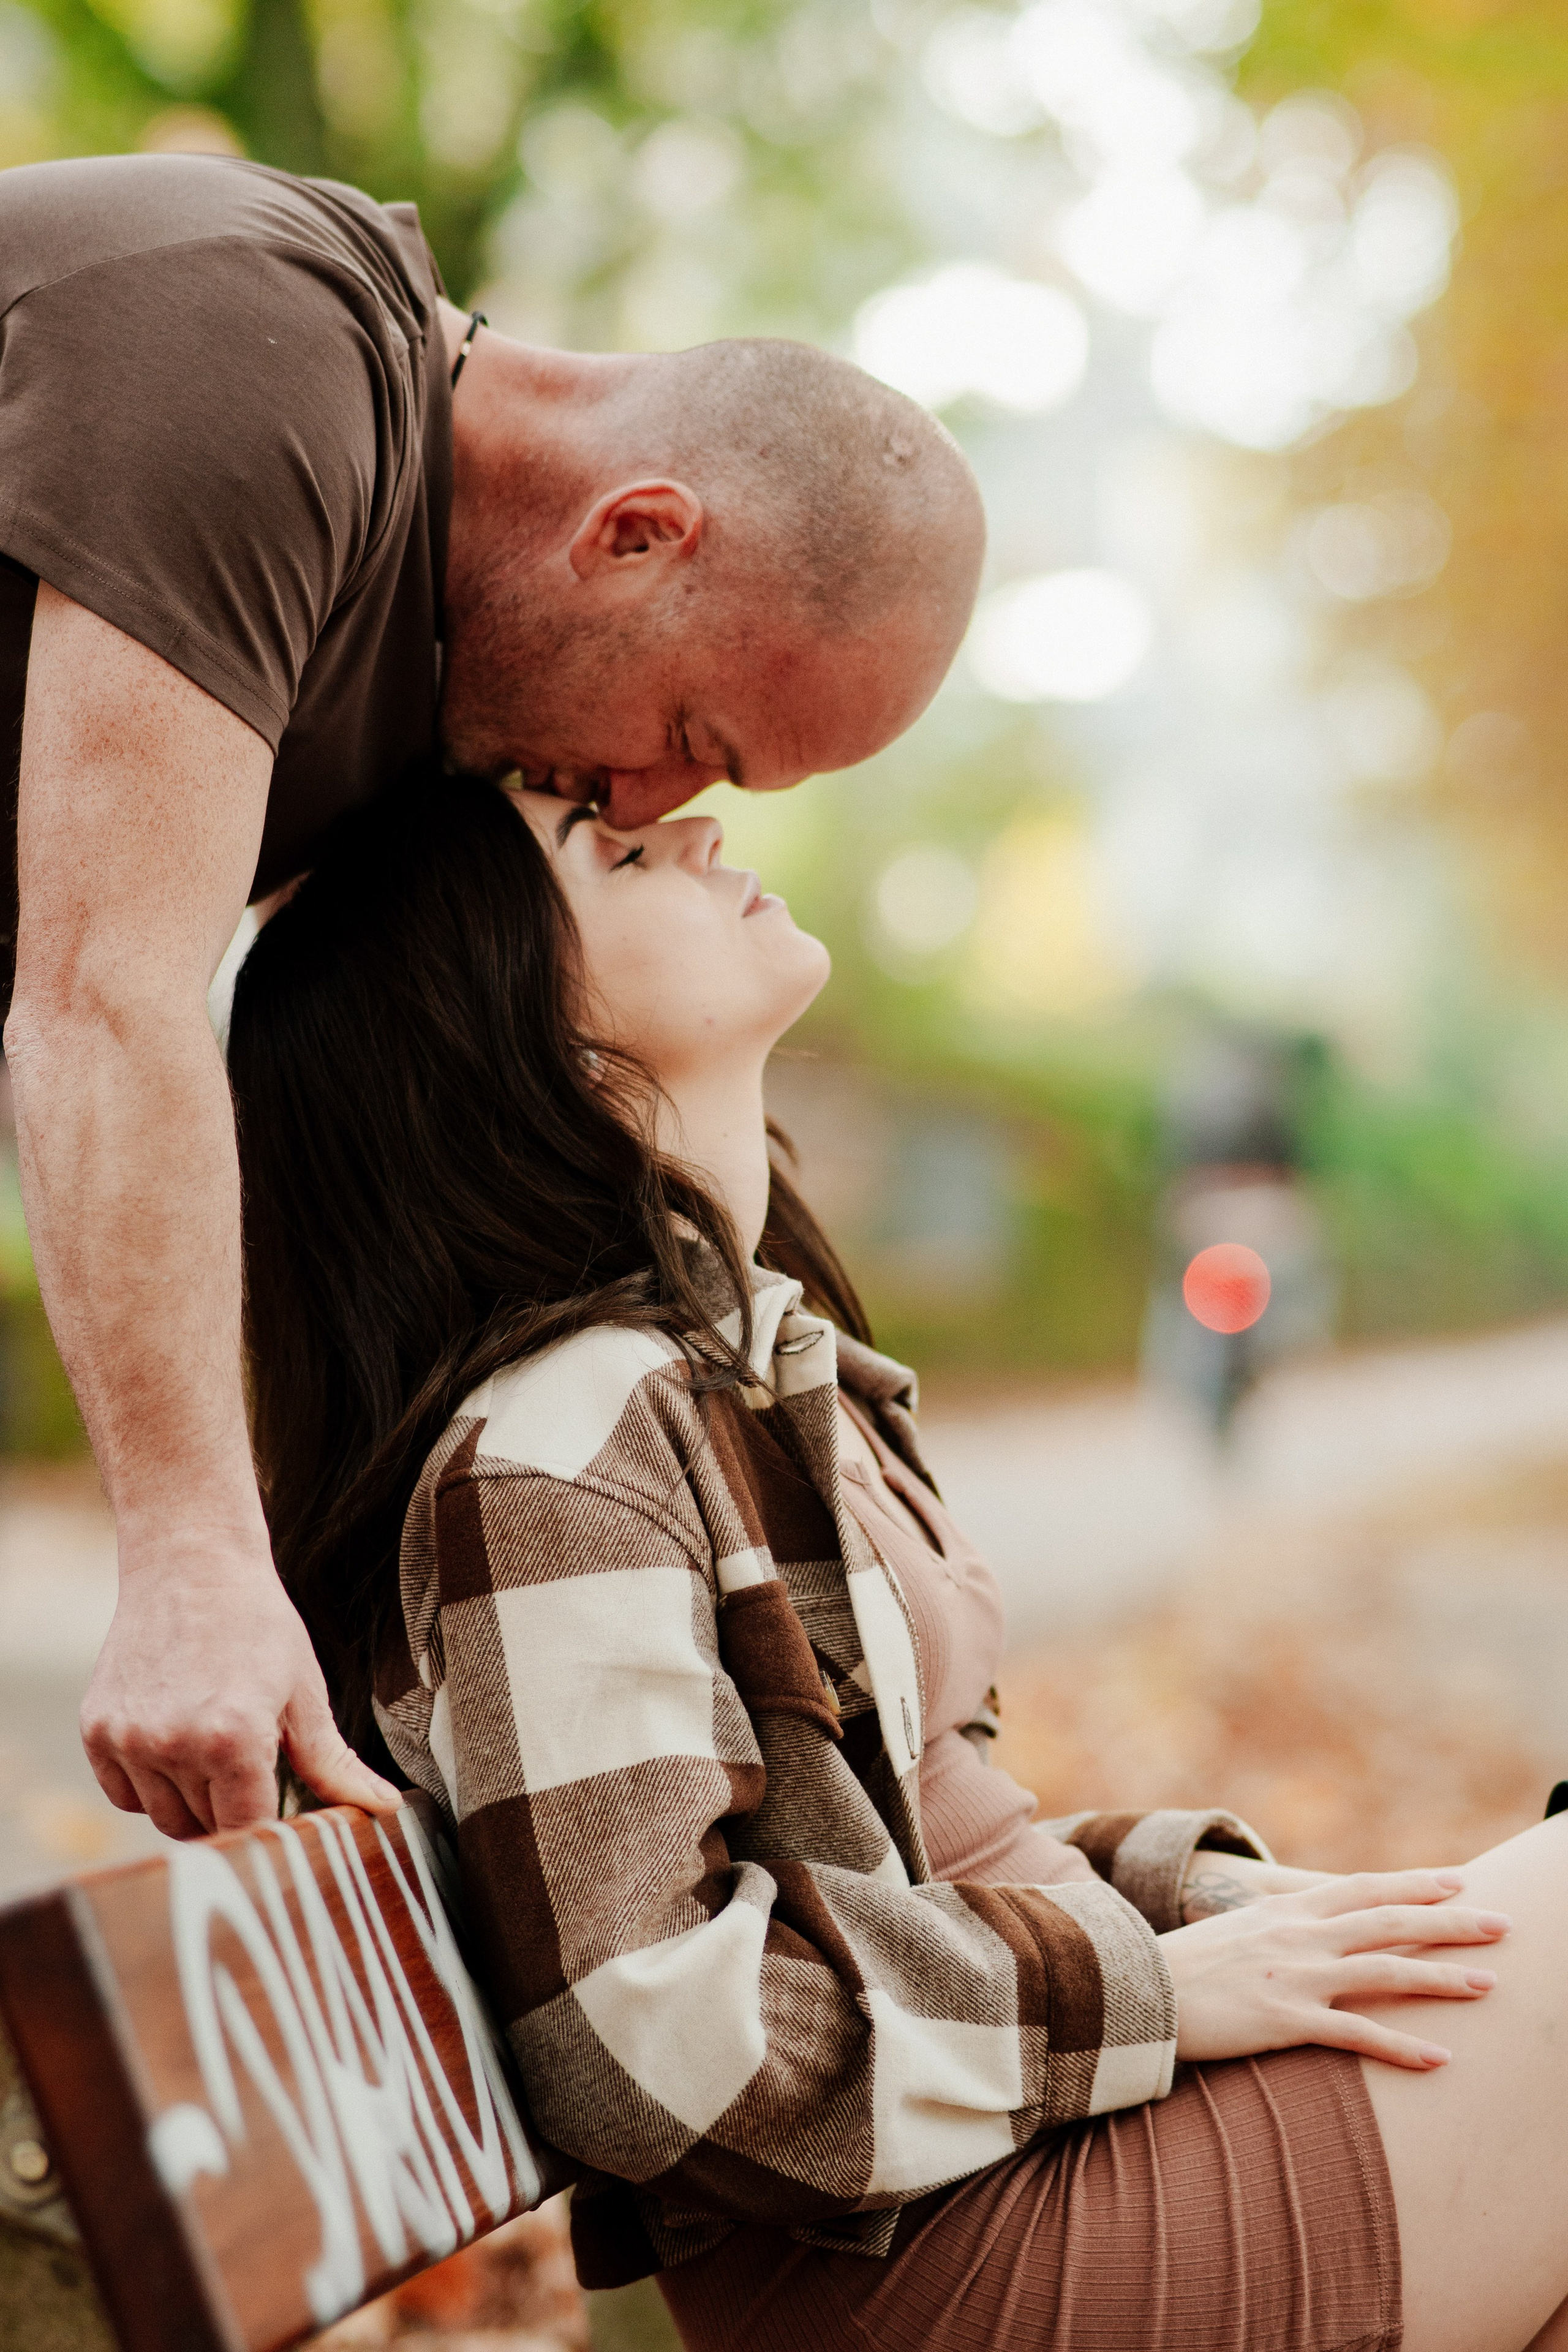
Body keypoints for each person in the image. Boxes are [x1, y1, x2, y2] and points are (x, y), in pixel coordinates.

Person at [226, 769, 1568, 2352]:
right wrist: (1155, 1989)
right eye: (626, 853)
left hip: (1018, 2156)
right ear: (522, 1032)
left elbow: (929, 1852)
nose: (708, 831)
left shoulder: (739, 1370)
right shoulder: (554, 1453)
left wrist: (1225, 1908)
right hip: (931, 2255)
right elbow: (648, 2035)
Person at [0, 150, 984, 1842]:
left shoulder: (423, 685)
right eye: (695, 738)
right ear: (636, 534)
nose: (646, 808)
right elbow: (105, 997)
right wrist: (188, 1558)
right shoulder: (254, 355)